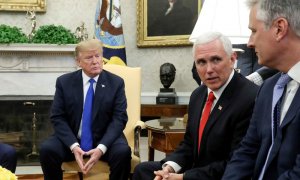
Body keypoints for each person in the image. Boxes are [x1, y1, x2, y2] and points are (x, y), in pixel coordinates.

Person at [133, 32, 258, 180]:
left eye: (216, 60)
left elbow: (236, 163)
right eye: (201, 62)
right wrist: (169, 168)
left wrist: (183, 177)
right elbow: (189, 144)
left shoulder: (250, 97)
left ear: (232, 59)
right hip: (194, 168)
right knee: (143, 171)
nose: (209, 69)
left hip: (220, 175)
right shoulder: (197, 95)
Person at [222, 0, 300, 179]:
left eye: (253, 31)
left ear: (279, 29)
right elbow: (247, 151)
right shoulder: (267, 88)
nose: (249, 43)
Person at [39, 39, 131, 180]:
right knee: (47, 149)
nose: (95, 61)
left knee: (123, 152)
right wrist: (74, 146)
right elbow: (58, 117)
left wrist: (101, 148)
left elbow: (119, 119)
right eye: (89, 57)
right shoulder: (64, 82)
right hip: (73, 139)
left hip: (105, 139)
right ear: (78, 61)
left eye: (98, 56)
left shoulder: (116, 83)